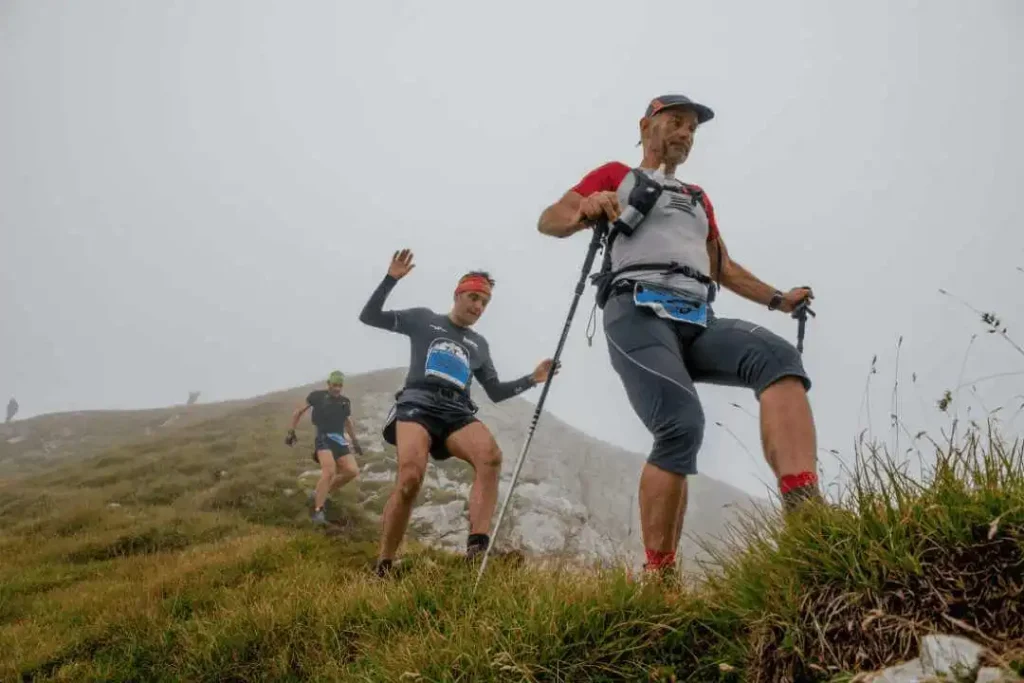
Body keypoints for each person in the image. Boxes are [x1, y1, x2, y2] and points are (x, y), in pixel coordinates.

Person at [536, 93, 822, 578]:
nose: (686, 133)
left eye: (692, 128)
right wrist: (585, 207)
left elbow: (722, 267)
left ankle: (807, 516)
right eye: (676, 122)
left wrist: (779, 299)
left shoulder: (697, 197)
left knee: (777, 360)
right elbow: (550, 219)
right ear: (646, 125)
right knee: (680, 423)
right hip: (636, 310)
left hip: (697, 315)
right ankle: (660, 577)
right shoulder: (615, 175)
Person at [359, 248, 558, 576]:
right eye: (474, 297)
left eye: (485, 302)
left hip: (456, 411)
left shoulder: (479, 345)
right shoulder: (424, 320)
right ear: (458, 294)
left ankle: (477, 551)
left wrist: (532, 379)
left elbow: (494, 391)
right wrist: (390, 279)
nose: (478, 307)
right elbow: (370, 316)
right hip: (417, 404)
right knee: (410, 478)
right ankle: (384, 563)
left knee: (491, 456)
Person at [285, 370, 364, 525]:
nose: (337, 388)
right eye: (334, 385)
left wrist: (355, 442)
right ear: (328, 384)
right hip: (323, 438)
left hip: (340, 441)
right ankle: (318, 511)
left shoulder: (345, 401)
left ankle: (319, 493)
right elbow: (298, 412)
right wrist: (291, 432)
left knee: (352, 471)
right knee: (329, 471)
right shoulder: (317, 396)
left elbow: (347, 422)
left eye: (340, 385)